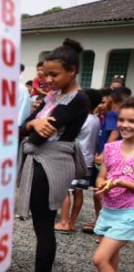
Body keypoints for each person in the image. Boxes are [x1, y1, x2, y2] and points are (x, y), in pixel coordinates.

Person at [7, 39, 89, 272]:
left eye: (54, 75)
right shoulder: (54, 97)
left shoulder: (78, 99)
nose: (48, 80)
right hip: (41, 160)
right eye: (46, 74)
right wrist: (33, 124)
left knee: (44, 226)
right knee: (41, 224)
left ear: (72, 71)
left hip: (51, 162)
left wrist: (32, 126)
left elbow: (37, 135)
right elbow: (28, 126)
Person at [78, 97, 134, 272]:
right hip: (108, 210)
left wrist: (122, 183)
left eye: (131, 121)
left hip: (129, 213)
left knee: (99, 259)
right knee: (111, 260)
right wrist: (102, 184)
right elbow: (102, 175)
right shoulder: (110, 148)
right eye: (122, 119)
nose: (125, 125)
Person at [55, 89, 103, 233]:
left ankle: (64, 222)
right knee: (78, 192)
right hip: (88, 161)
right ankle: (72, 222)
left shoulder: (82, 118)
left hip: (75, 159)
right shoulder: (96, 120)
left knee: (65, 190)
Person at [83, 87, 127, 234]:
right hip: (112, 157)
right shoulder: (107, 116)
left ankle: (102, 222)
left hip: (106, 158)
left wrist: (103, 153)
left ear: (111, 99)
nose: (101, 104)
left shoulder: (111, 115)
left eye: (104, 101)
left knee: (101, 191)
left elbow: (114, 133)